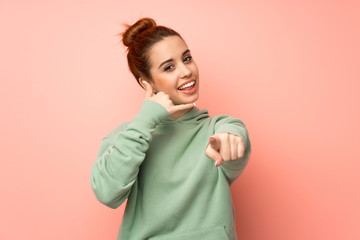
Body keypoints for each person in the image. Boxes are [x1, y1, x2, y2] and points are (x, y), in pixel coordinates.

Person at [90, 17, 252, 240]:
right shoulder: (126, 137)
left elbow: (235, 137)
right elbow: (107, 193)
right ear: (146, 83)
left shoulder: (219, 128)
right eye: (169, 67)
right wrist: (146, 119)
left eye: (187, 58)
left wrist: (230, 141)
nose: (186, 71)